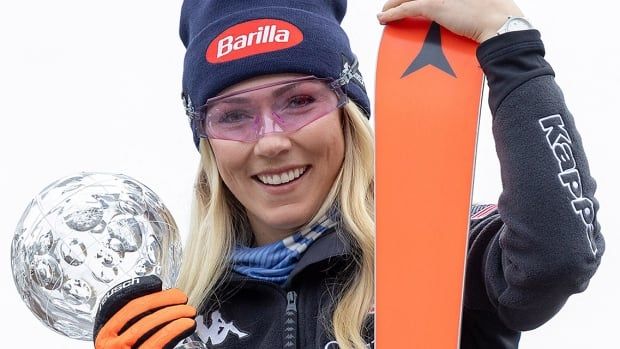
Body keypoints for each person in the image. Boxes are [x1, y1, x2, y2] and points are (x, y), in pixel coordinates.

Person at [92, 0, 605, 348]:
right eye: (234, 114)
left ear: (348, 113)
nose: (270, 140)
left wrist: (510, 44)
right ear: (207, 142)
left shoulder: (447, 246)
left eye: (298, 101)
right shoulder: (182, 319)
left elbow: (556, 258)